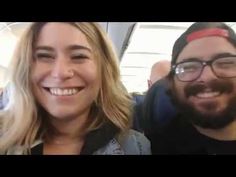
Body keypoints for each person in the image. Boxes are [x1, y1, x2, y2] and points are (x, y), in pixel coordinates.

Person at [0, 22, 150, 155]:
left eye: (79, 56)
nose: (60, 73)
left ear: (104, 70)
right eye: (44, 56)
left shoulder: (135, 147)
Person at [150, 22, 236, 154]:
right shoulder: (154, 147)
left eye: (225, 62)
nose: (207, 77)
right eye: (189, 67)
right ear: (172, 82)